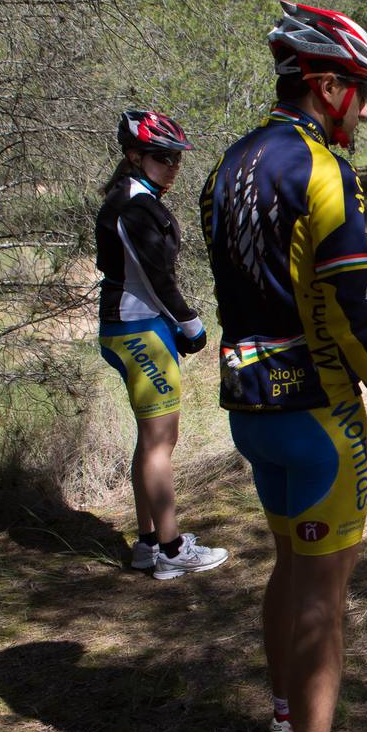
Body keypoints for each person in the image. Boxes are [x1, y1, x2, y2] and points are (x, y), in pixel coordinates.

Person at [201, 0, 367, 732]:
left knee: (286, 564)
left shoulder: (225, 165)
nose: (364, 111)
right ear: (327, 84)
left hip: (247, 402)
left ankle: (282, 713)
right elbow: (357, 311)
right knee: (323, 591)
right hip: (318, 412)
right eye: (361, 93)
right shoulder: (320, 170)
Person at [95, 109, 230, 580]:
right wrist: (190, 323)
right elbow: (155, 277)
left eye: (176, 158)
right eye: (162, 157)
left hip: (132, 327)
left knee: (151, 441)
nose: (173, 165)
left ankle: (149, 542)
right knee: (160, 443)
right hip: (140, 329)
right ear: (135, 156)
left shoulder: (132, 197)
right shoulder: (133, 205)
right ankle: (172, 551)